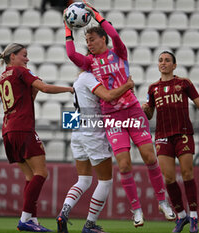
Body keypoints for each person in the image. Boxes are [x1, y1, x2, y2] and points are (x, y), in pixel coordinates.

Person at [63, 1, 176, 227]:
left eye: (92, 39)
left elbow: (115, 35)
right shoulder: (89, 64)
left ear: (103, 39)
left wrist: (95, 14)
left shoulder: (119, 53)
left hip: (133, 110)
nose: (89, 44)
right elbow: (71, 54)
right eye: (86, 41)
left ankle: (163, 202)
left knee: (149, 157)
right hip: (111, 116)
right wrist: (68, 26)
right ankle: (136, 210)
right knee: (124, 166)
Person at [0, 43, 73, 232]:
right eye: (24, 55)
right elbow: (45, 88)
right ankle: (24, 220)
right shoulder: (20, 72)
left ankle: (33, 220)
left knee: (31, 176)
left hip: (8, 130)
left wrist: (34, 90)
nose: (27, 58)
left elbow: (27, 98)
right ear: (12, 56)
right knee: (41, 173)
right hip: (23, 128)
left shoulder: (2, 78)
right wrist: (70, 89)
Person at [142, 51, 199, 233]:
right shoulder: (153, 88)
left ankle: (194, 217)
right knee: (168, 178)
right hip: (163, 135)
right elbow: (150, 113)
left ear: (174, 65)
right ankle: (182, 216)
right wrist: (145, 110)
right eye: (160, 60)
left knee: (187, 174)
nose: (163, 63)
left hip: (183, 134)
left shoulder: (183, 83)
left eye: (167, 60)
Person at [57, 72, 134, 233]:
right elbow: (107, 96)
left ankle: (63, 214)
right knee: (105, 181)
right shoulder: (90, 77)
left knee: (84, 180)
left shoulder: (80, 78)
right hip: (92, 131)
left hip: (77, 128)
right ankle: (90, 225)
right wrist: (127, 86)